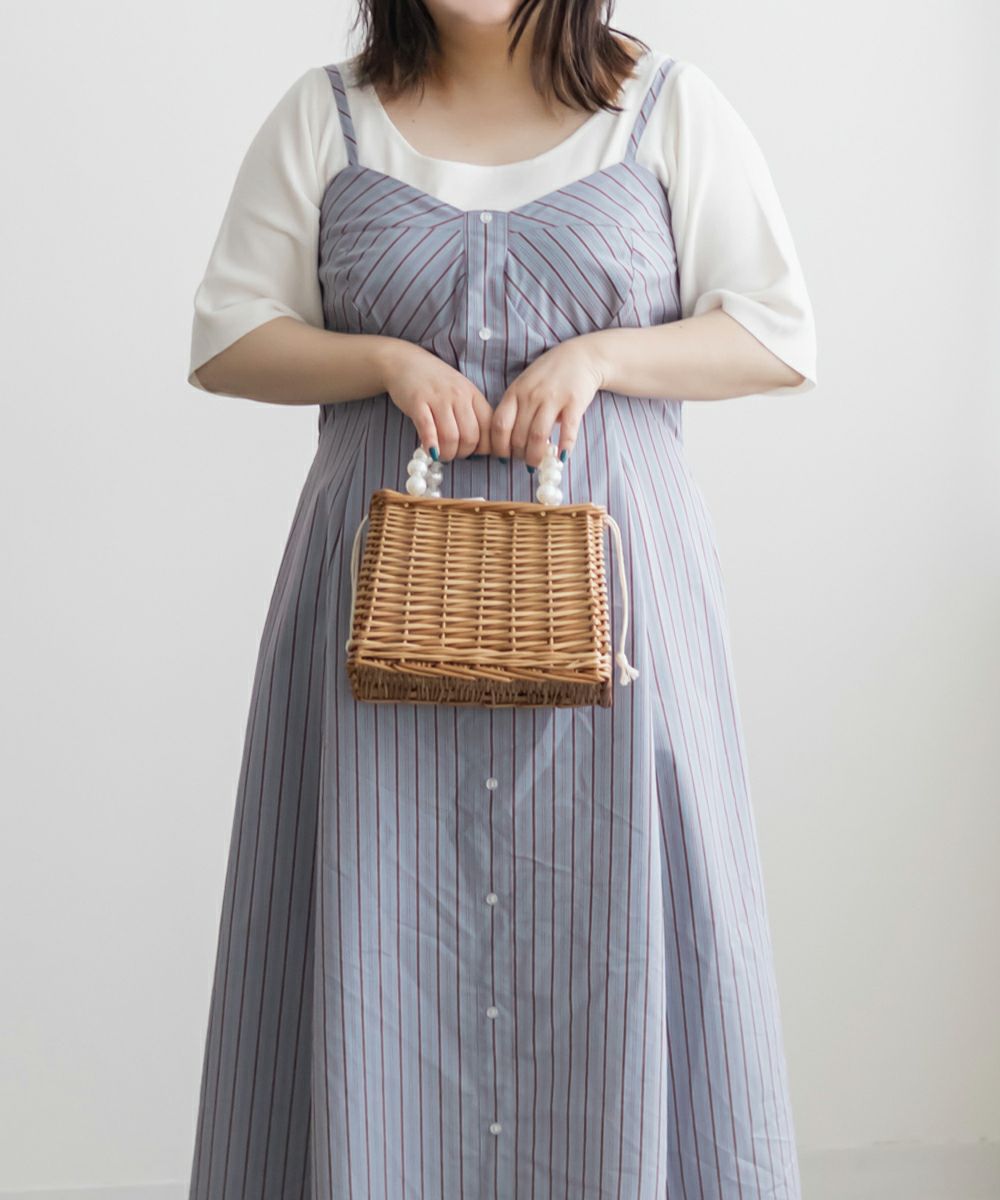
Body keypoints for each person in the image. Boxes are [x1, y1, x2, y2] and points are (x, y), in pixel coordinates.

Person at [185, 3, 817, 1197]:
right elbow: (229, 334)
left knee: (623, 922)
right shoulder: (328, 116)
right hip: (375, 624)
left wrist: (601, 357)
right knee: (372, 937)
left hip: (618, 626)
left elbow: (777, 334)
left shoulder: (666, 110)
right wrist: (380, 360)